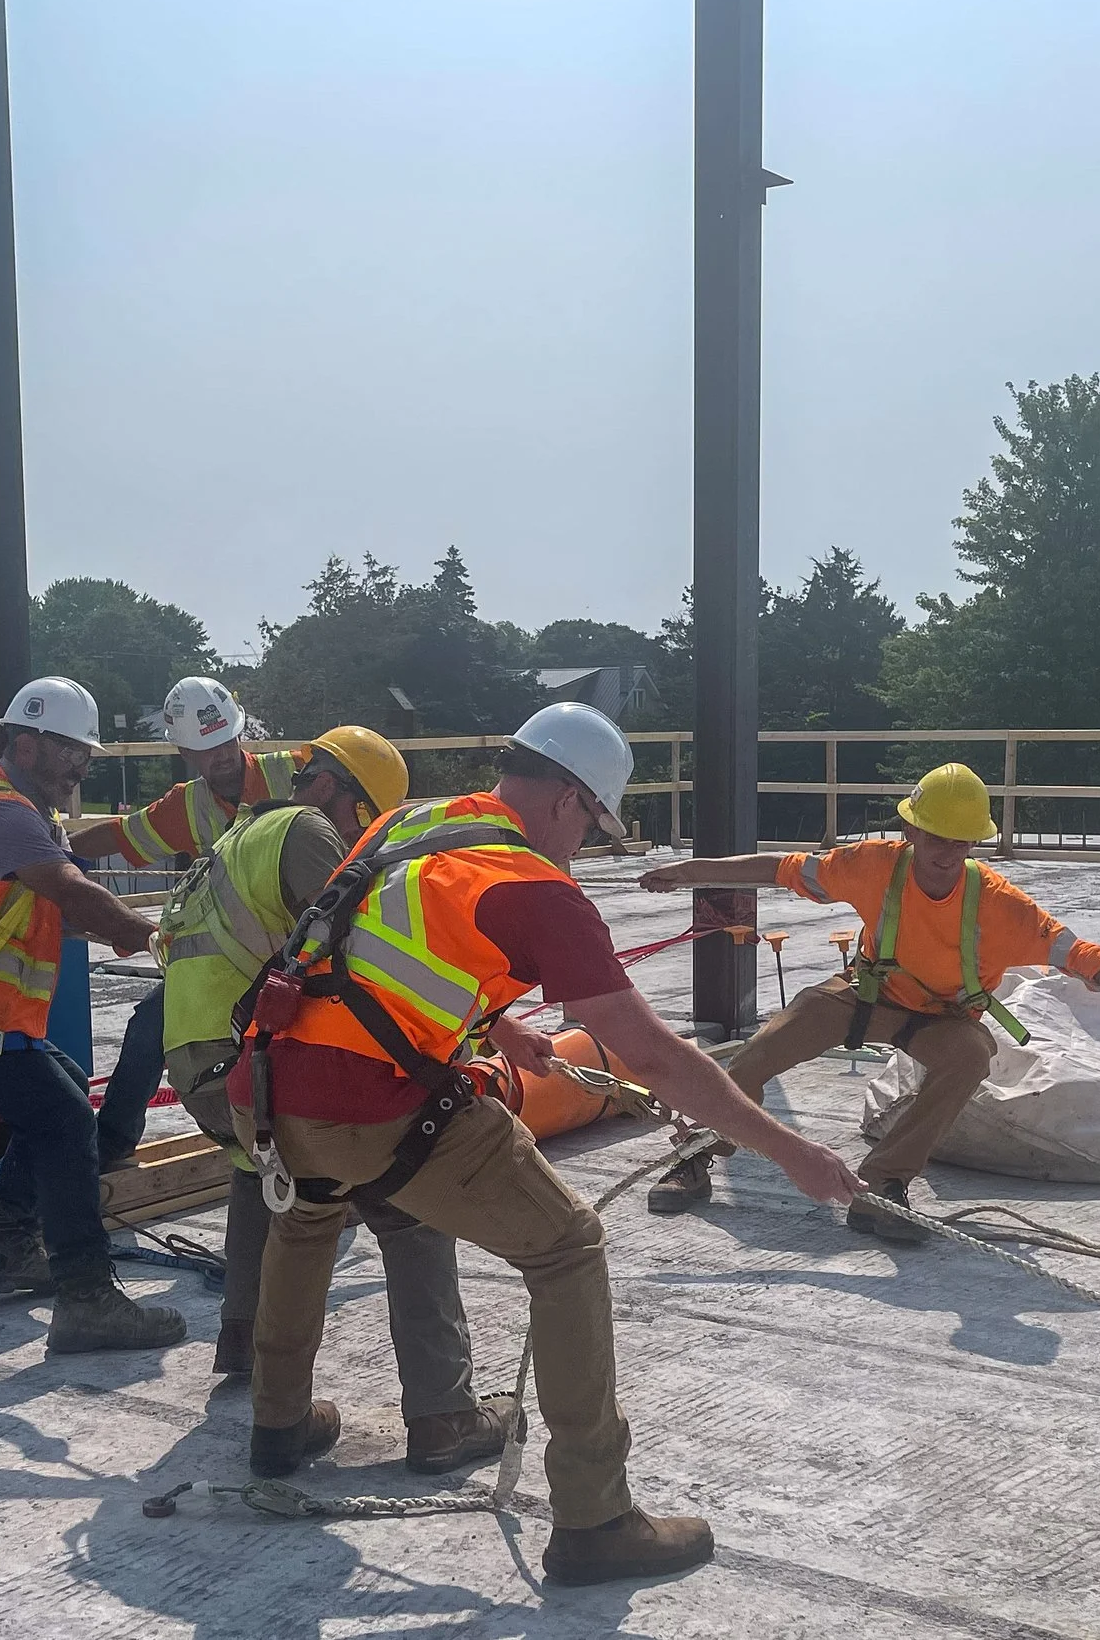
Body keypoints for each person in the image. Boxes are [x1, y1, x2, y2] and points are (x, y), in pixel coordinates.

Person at [233, 702, 864, 1587]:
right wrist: (787, 1150)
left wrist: (499, 1028)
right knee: (568, 1249)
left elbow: (365, 944)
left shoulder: (414, 821)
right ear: (570, 800)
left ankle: (278, 1424)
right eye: (595, 828)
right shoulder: (535, 886)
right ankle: (596, 1518)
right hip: (374, 1105)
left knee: (306, 1216)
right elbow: (652, 1054)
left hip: (271, 1083)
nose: (586, 849)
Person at [151, 724, 516, 1474]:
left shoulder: (245, 834)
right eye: (372, 826)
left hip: (202, 1061)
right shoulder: (311, 834)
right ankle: (446, 1415)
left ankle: (262, 1380)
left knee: (276, 1181)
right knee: (406, 1199)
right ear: (352, 804)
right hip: (250, 1058)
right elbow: (360, 955)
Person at [639, 762, 1100, 1242]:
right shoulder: (872, 865)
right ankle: (696, 1155)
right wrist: (691, 872)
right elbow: (778, 868)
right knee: (759, 1054)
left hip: (942, 1018)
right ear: (911, 830)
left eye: (962, 842)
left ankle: (882, 1186)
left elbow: (1085, 957)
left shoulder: (1001, 906)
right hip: (863, 995)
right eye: (937, 838)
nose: (948, 852)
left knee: (969, 1056)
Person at [0, 676, 185, 1354]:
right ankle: (87, 1296)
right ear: (27, 742)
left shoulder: (28, 817)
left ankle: (5, 1249)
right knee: (67, 1117)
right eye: (71, 749)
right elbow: (73, 892)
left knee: (63, 1089)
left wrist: (127, 927)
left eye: (86, 751)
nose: (83, 763)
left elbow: (57, 915)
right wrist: (159, 940)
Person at [72, 676, 297, 1168]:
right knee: (150, 1025)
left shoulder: (295, 775)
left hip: (298, 953)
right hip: (227, 962)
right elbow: (118, 834)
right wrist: (52, 852)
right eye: (203, 749)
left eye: (224, 741)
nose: (218, 756)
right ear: (185, 752)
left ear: (239, 734)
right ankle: (111, 1142)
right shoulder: (187, 806)